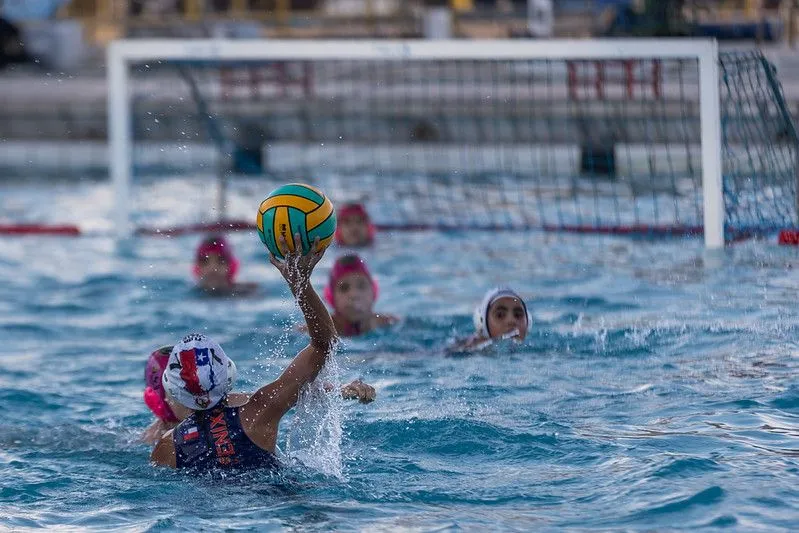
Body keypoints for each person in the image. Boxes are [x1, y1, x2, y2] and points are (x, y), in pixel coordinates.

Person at [150, 234, 371, 469]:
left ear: (172, 391)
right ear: (228, 373)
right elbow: (324, 344)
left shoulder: (167, 449)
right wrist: (300, 283)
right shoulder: (259, 412)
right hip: (276, 491)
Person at [141, 343, 376, 445]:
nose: (196, 391)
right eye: (182, 390)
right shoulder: (156, 440)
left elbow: (285, 394)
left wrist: (340, 390)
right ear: (162, 401)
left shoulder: (222, 404)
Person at [324, 254, 398, 337]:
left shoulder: (389, 324)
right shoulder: (322, 329)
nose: (354, 295)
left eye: (361, 286)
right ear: (332, 296)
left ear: (373, 291)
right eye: (344, 288)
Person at [449, 287, 531, 352]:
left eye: (518, 315)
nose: (511, 321)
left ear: (528, 323)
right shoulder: (465, 351)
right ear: (482, 324)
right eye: (500, 315)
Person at [193, 235, 257, 296]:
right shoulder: (192, 296)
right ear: (197, 267)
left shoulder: (247, 293)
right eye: (205, 261)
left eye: (221, 261)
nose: (213, 268)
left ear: (231, 265)